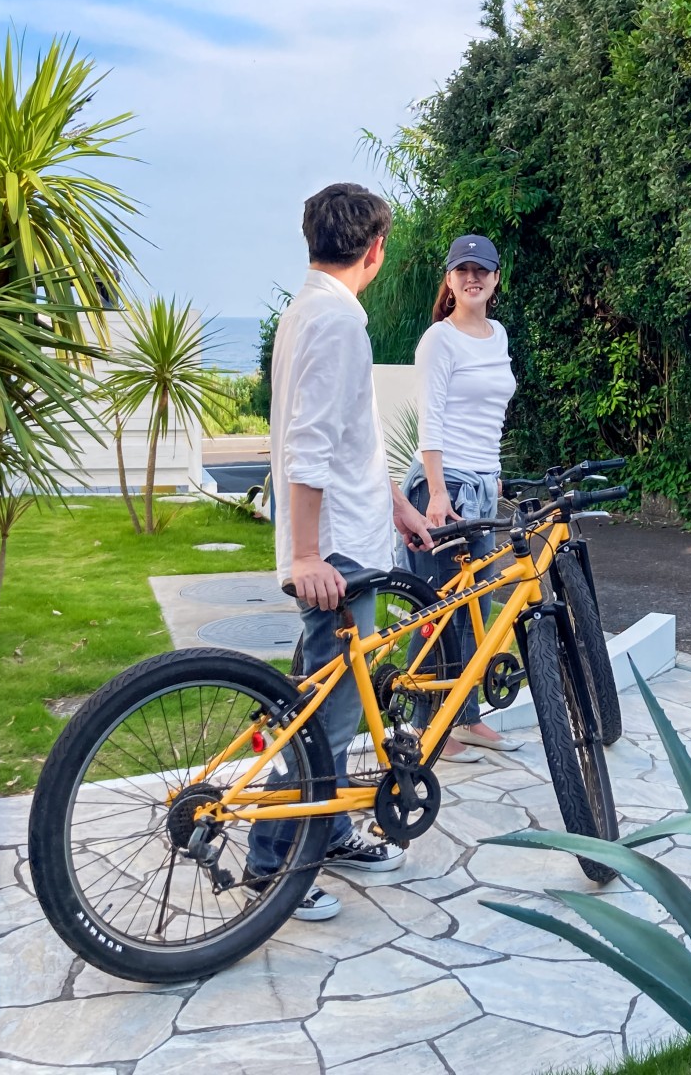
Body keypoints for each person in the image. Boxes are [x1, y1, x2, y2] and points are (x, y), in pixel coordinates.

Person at [247, 183, 434, 921]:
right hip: (335, 559)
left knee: (324, 706)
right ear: (376, 248)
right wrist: (305, 557)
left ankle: (324, 832)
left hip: (352, 539)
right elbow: (309, 449)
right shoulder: (333, 324)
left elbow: (351, 433)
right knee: (328, 718)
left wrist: (396, 504)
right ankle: (272, 863)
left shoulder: (314, 313)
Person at [402, 234, 519, 760]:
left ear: (496, 280)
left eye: (483, 270)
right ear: (449, 281)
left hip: (481, 485)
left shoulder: (498, 336)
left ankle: (465, 718)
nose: (473, 278)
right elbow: (431, 421)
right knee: (439, 607)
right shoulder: (438, 340)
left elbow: (490, 415)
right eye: (462, 270)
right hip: (442, 485)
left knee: (477, 604)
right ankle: (426, 726)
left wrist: (494, 476)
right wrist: (435, 492)